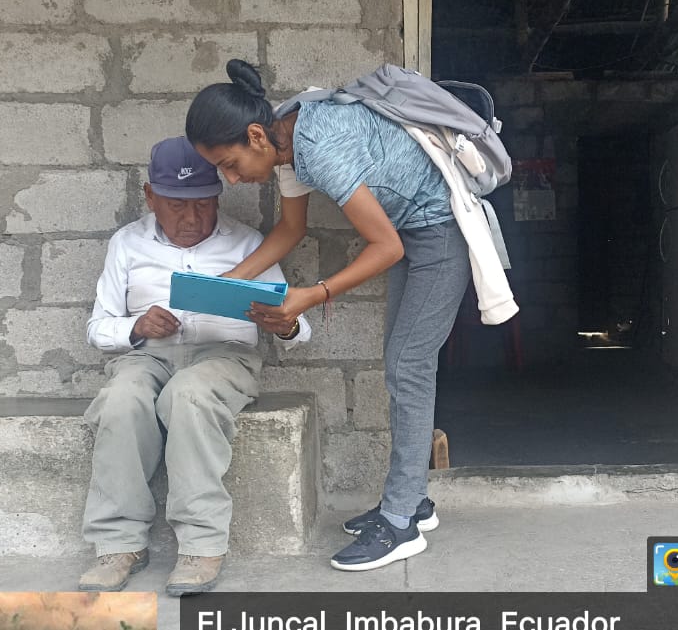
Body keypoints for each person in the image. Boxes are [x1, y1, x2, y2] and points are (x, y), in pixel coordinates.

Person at [184, 60, 468, 572]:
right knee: (401, 365)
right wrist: (229, 282)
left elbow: (386, 248)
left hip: (441, 233)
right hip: (413, 232)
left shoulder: (317, 146)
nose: (231, 179)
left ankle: (401, 524)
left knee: (408, 367)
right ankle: (412, 501)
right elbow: (290, 230)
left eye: (230, 164)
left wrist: (311, 295)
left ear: (255, 136)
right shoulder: (285, 140)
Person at [78, 136, 310, 596]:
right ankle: (119, 544)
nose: (192, 219)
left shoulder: (246, 243)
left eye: (203, 205)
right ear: (150, 196)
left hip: (224, 357)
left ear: (218, 195)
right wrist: (136, 326)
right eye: (176, 206)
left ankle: (201, 545)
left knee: (189, 394)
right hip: (147, 356)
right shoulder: (127, 244)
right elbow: (97, 328)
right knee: (121, 400)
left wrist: (283, 324)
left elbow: (298, 329)